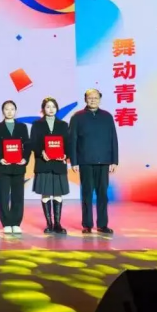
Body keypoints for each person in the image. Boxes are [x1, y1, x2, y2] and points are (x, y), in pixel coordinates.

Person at [69, 89, 118, 234]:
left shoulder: (107, 116)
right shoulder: (77, 117)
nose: (93, 100)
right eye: (90, 97)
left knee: (103, 194)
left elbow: (113, 139)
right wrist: (74, 162)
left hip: (104, 161)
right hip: (85, 161)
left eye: (96, 97)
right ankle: (87, 224)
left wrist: (114, 161)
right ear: (85, 99)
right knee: (87, 194)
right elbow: (72, 140)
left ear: (100, 99)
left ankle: (102, 224)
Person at [31, 97, 70, 234]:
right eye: (48, 107)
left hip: (58, 163)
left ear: (57, 108)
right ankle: (49, 224)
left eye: (53, 106)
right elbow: (33, 142)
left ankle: (57, 224)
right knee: (46, 193)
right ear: (43, 109)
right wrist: (41, 152)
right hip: (44, 163)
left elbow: (68, 143)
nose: (51, 109)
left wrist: (66, 155)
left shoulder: (63, 125)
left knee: (58, 194)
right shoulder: (37, 125)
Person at [0, 100, 31, 235]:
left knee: (18, 195)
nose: (9, 111)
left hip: (18, 166)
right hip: (3, 166)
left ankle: (16, 222)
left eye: (12, 109)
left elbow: (27, 145)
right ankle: (6, 223)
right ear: (3, 111)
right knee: (3, 196)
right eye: (6, 109)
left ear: (16, 111)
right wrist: (0, 158)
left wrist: (25, 159)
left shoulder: (22, 127)